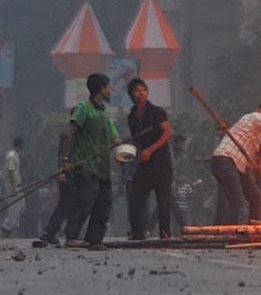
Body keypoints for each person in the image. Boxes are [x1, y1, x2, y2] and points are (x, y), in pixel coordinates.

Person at [63, 73, 121, 250]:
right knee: (85, 203)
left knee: (104, 204)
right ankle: (71, 236)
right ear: (101, 89)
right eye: (108, 87)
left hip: (103, 168)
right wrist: (65, 160)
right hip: (85, 166)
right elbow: (70, 135)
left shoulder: (104, 114)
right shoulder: (83, 109)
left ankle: (94, 240)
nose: (110, 91)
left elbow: (116, 139)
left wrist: (125, 148)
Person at [127, 78, 174, 240]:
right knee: (135, 198)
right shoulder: (131, 116)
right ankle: (137, 233)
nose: (141, 94)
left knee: (163, 200)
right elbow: (136, 140)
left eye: (144, 90)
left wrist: (150, 150)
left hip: (161, 161)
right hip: (144, 163)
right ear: (131, 95)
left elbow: (168, 133)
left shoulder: (157, 112)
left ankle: (165, 233)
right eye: (137, 91)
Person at [40, 123, 78, 246]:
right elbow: (63, 154)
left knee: (67, 205)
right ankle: (52, 232)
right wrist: (61, 170)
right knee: (66, 204)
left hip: (73, 173)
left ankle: (51, 232)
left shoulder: (77, 135)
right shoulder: (68, 135)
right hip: (67, 174)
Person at [1, 137, 25, 238]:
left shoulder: (16, 155)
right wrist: (13, 187)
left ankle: (14, 224)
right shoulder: (12, 156)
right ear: (19, 145)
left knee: (22, 206)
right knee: (13, 206)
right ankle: (8, 226)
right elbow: (11, 172)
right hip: (12, 185)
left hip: (18, 184)